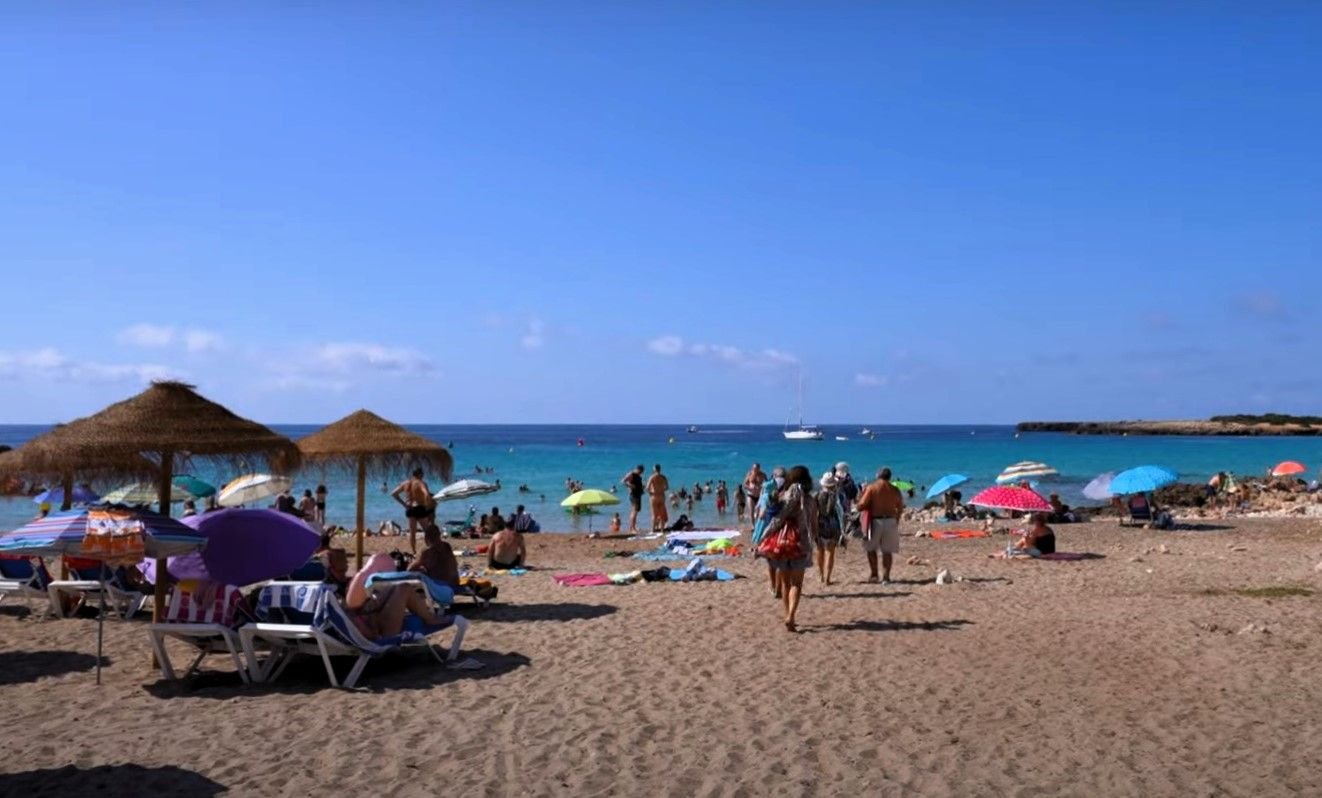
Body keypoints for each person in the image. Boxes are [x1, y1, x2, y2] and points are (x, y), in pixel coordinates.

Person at [760, 465, 816, 632]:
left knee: (785, 583)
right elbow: (813, 524)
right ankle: (791, 615)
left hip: (783, 544)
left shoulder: (785, 496)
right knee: (797, 584)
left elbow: (777, 519)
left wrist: (764, 536)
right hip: (801, 544)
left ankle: (787, 614)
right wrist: (815, 541)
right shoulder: (810, 500)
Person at [855, 467, 904, 584]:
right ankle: (886, 577)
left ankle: (874, 574)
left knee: (871, 549)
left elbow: (861, 505)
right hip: (890, 520)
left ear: (878, 475)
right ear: (890, 477)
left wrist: (860, 498)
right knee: (887, 551)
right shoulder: (895, 489)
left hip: (875, 521)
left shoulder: (872, 488)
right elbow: (900, 507)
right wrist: (896, 520)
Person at [390, 469, 435, 553]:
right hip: (420, 508)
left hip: (410, 509)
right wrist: (428, 504)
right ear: (420, 474)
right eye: (422, 475)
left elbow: (393, 494)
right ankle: (430, 549)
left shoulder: (405, 483)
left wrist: (404, 505)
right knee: (427, 531)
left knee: (412, 532)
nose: (423, 476)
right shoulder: (420, 483)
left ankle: (414, 551)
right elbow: (426, 494)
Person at [814, 471, 845, 585]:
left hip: (820, 524)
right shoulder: (837, 496)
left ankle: (821, 575)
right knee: (830, 552)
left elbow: (814, 511)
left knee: (820, 550)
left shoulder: (817, 495)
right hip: (832, 525)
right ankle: (827, 578)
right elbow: (841, 512)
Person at [410, 523, 459, 588]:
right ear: (439, 535)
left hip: (440, 585)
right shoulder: (447, 546)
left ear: (426, 538)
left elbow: (410, 569)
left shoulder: (427, 551)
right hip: (454, 583)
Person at [647, 463, 670, 533]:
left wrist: (651, 493)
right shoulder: (663, 477)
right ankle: (662, 530)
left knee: (654, 515)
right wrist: (661, 490)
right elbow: (667, 487)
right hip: (661, 496)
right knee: (662, 514)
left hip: (654, 496)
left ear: (654, 469)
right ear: (660, 469)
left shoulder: (652, 477)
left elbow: (647, 487)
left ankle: (653, 530)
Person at [621, 465, 645, 532]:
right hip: (634, 495)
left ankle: (632, 527)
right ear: (638, 469)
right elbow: (623, 481)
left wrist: (642, 487)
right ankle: (633, 528)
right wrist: (630, 486)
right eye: (641, 471)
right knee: (634, 512)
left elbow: (637, 484)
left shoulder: (638, 475)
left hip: (637, 495)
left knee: (634, 512)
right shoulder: (631, 474)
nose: (641, 473)